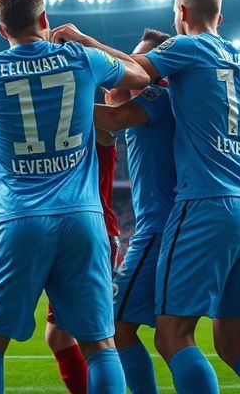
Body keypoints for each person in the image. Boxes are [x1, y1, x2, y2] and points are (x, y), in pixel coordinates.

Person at [51, 0, 240, 394]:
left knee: (167, 335)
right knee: (234, 342)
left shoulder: (179, 59)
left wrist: (78, 46)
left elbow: (131, 78)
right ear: (220, 15)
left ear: (181, 13)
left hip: (203, 209)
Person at [0, 0, 150, 394]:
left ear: (1, 29)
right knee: (101, 346)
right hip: (84, 222)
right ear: (44, 18)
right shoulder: (83, 59)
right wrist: (86, 39)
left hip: (18, 220)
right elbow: (140, 77)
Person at [93, 27, 177, 393]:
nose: (135, 68)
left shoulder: (158, 97)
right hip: (174, 224)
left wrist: (53, 99)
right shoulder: (166, 102)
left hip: (158, 227)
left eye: (141, 61)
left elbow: (111, 115)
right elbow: (114, 99)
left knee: (117, 325)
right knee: (173, 338)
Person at [44, 129, 122, 394]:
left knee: (97, 338)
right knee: (59, 335)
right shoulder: (68, 132)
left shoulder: (100, 129)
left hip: (97, 235)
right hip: (74, 235)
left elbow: (107, 130)